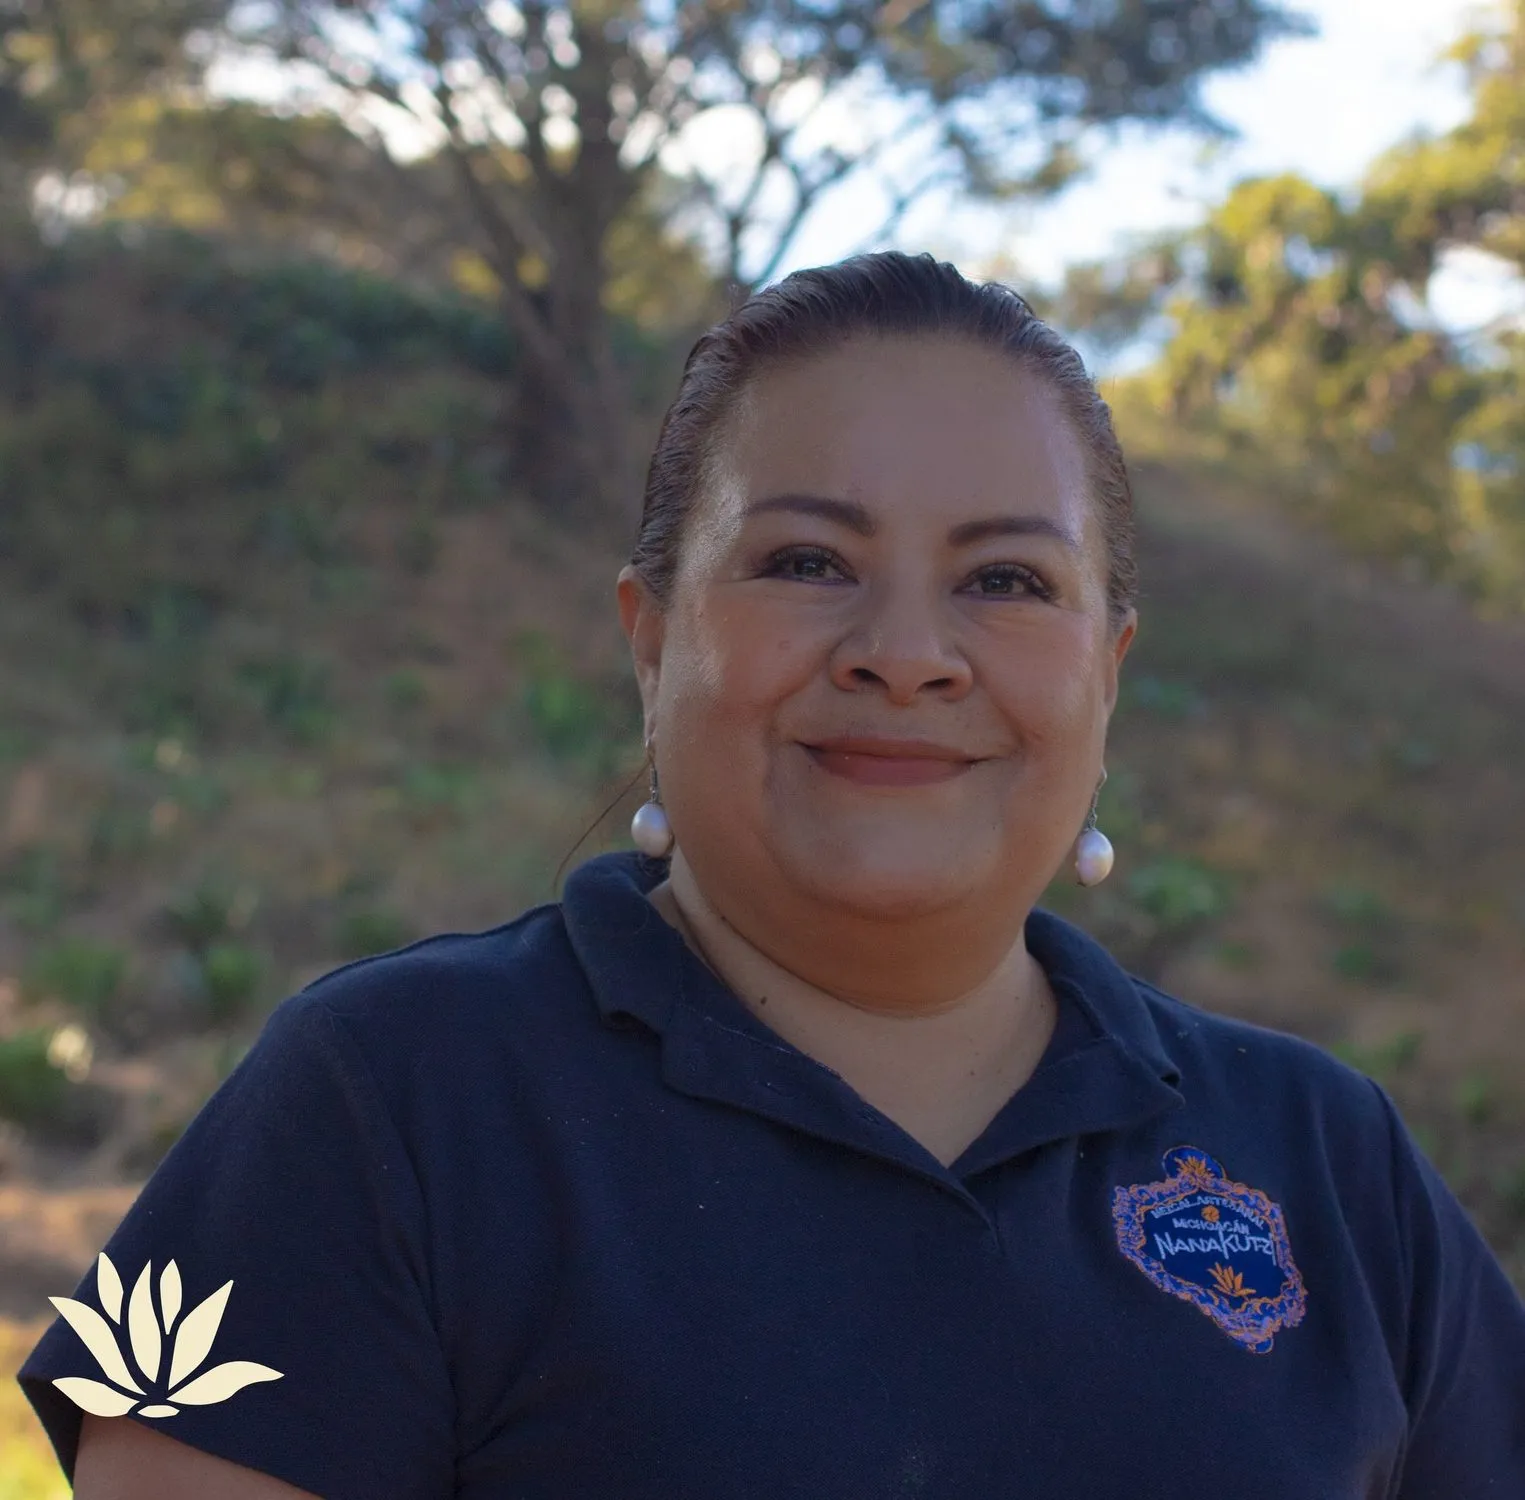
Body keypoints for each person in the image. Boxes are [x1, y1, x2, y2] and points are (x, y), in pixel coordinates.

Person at [16, 251, 1525, 1499]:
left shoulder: (1333, 1162)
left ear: (1107, 675)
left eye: (1007, 581)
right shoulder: (381, 1103)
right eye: (808, 561)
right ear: (651, 637)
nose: (908, 653)